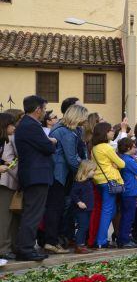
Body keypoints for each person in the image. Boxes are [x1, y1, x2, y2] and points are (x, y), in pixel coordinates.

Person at [14, 95, 57, 261]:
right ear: (38, 109)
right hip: (36, 175)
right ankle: (25, 249)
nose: (44, 112)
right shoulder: (30, 125)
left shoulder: (27, 125)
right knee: (33, 213)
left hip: (34, 174)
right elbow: (47, 147)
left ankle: (25, 247)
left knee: (32, 213)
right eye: (44, 109)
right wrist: (51, 141)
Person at [44, 104, 89, 253]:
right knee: (55, 209)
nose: (85, 120)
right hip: (60, 175)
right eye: (83, 117)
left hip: (56, 174)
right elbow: (71, 158)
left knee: (55, 209)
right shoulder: (67, 133)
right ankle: (51, 242)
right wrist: (83, 172)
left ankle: (52, 240)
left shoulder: (60, 128)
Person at [92, 122, 124, 249]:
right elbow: (122, 164)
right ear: (104, 133)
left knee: (110, 210)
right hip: (111, 181)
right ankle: (101, 240)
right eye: (110, 130)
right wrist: (114, 164)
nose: (113, 132)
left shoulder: (94, 148)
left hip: (100, 181)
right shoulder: (106, 147)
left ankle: (100, 238)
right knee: (107, 211)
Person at [117, 138, 137, 249]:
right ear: (128, 148)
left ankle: (123, 239)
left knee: (125, 215)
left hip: (126, 190)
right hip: (131, 191)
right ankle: (124, 240)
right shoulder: (129, 160)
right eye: (134, 147)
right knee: (128, 217)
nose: (135, 148)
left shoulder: (122, 158)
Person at [0, 112, 20, 260]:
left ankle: (10, 245)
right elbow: (8, 161)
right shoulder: (6, 140)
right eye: (12, 124)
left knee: (11, 216)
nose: (14, 127)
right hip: (6, 181)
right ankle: (4, 247)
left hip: (9, 181)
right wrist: (19, 177)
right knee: (5, 217)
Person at [70, 160, 96, 254]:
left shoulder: (88, 182)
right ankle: (79, 245)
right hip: (81, 210)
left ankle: (82, 244)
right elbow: (73, 194)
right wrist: (79, 202)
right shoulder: (79, 183)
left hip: (88, 208)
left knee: (85, 226)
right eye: (93, 170)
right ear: (86, 170)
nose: (94, 172)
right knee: (82, 226)